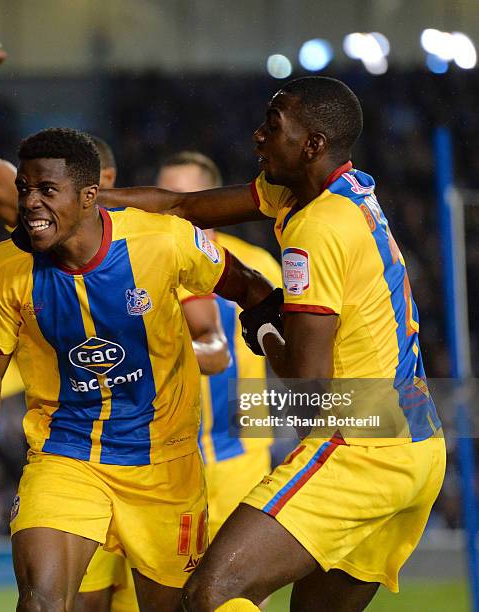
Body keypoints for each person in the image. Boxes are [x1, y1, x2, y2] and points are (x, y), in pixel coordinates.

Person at [98, 76, 446, 611]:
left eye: (273, 125)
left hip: (362, 447)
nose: (258, 135)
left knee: (209, 596)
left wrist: (260, 316)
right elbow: (182, 206)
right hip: (418, 446)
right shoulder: (341, 191)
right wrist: (90, 201)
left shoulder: (318, 228)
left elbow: (309, 390)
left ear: (312, 144)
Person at [0, 128, 280, 612]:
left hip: (165, 466)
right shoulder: (6, 267)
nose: (30, 203)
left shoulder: (161, 241)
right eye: (24, 190)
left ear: (88, 197)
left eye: (46, 191)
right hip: (66, 458)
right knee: (41, 603)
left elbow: (247, 285)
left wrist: (272, 331)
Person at [156, 151, 283, 539]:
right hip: (166, 461)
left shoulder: (254, 264)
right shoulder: (147, 262)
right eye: (162, 193)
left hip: (240, 457)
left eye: (179, 194)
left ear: (209, 197)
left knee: (240, 585)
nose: (167, 204)